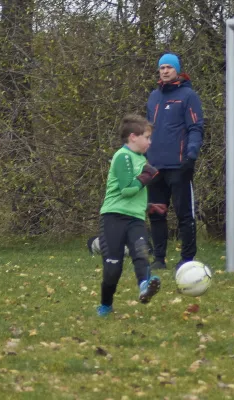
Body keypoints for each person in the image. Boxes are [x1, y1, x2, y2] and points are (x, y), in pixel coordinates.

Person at [96, 114, 167, 317]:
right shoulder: (122, 156)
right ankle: (106, 305)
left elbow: (135, 192)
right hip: (113, 217)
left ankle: (145, 286)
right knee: (113, 269)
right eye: (147, 137)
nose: (150, 142)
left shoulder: (140, 159)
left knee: (141, 253)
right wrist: (146, 177)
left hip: (135, 218)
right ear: (133, 137)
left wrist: (150, 205)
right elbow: (127, 190)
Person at [146, 53, 204, 272]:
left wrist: (191, 155)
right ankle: (159, 258)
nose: (165, 71)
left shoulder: (188, 96)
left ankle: (187, 258)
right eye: (162, 67)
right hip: (154, 166)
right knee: (156, 213)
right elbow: (146, 131)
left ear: (177, 70)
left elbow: (195, 127)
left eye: (169, 67)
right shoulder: (153, 97)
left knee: (184, 214)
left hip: (179, 165)